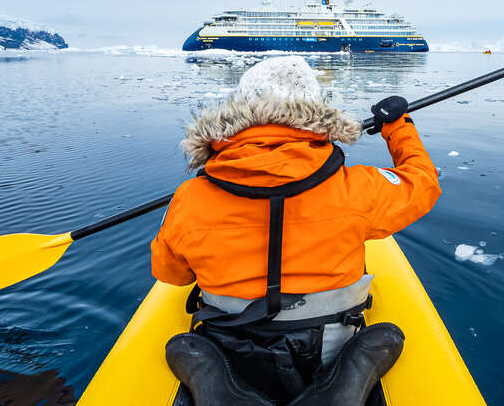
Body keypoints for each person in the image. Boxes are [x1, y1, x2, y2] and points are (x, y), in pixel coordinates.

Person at [151, 56, 442, 405]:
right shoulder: (358, 189)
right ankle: (339, 383)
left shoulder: (191, 197)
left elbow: (171, 274)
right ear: (315, 110)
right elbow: (422, 182)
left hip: (229, 339)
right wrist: (398, 127)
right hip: (329, 345)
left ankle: (224, 386)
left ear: (238, 111)